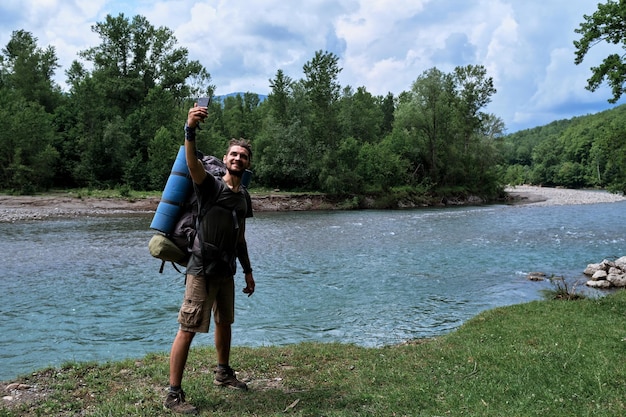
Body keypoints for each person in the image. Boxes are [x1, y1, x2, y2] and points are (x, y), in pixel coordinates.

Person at [164, 103, 256, 414]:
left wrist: (247, 271)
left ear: (248, 163)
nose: (238, 159)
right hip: (201, 268)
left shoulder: (244, 197)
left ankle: (223, 372)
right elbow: (191, 163)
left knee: (225, 322)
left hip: (226, 270)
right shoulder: (210, 186)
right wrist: (190, 128)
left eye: (243, 156)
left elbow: (239, 235)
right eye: (234, 154)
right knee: (187, 328)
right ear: (226, 158)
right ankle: (173, 394)